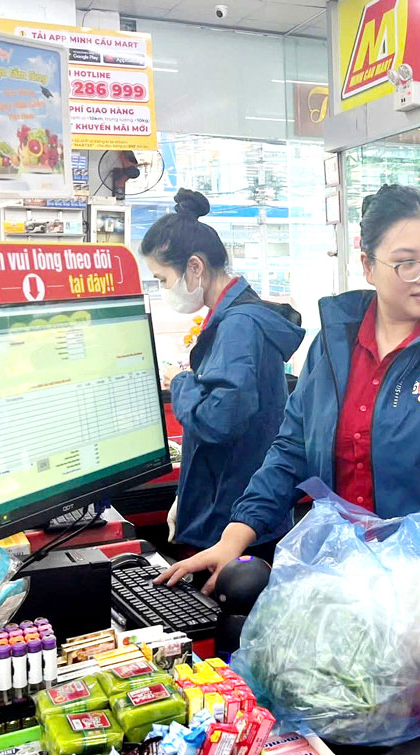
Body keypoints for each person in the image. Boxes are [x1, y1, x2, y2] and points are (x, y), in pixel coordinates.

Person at [157, 184, 420, 602]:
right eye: (407, 264)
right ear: (368, 266)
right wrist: (233, 540)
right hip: (346, 581)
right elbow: (289, 452)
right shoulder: (334, 344)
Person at [142, 188, 305, 561]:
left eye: (163, 279)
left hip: (232, 517)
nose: (165, 290)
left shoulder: (238, 326)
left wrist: (182, 382)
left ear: (195, 267)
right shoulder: (241, 317)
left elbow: (220, 419)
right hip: (240, 506)